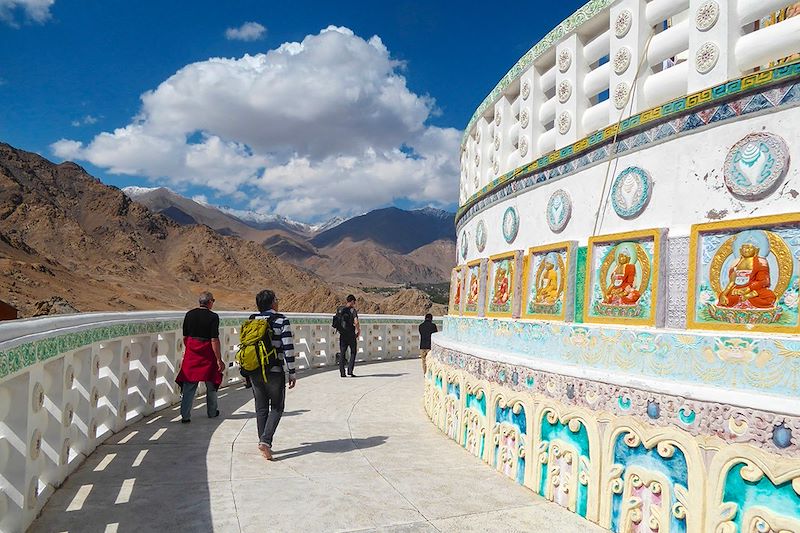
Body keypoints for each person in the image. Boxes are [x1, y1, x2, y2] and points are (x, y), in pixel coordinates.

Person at [245, 289, 297, 460]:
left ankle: (263, 441)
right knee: (277, 407)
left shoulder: (252, 320)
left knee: (261, 408)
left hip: (255, 370)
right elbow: (288, 347)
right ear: (273, 302)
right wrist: (292, 372)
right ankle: (265, 441)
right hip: (274, 371)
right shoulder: (281, 320)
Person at [176, 291, 224, 423]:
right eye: (213, 301)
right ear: (209, 302)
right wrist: (219, 359)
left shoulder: (189, 314)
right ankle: (212, 411)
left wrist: (190, 349)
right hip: (207, 353)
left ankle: (185, 415)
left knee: (189, 386)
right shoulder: (213, 317)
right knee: (211, 384)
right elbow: (214, 339)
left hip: (192, 353)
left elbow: (185, 337)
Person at [336, 294, 360, 377]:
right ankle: (350, 371)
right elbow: (356, 322)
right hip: (351, 334)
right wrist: (358, 330)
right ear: (352, 301)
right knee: (353, 352)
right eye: (354, 302)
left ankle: (342, 373)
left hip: (342, 334)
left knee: (342, 353)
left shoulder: (340, 309)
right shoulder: (353, 311)